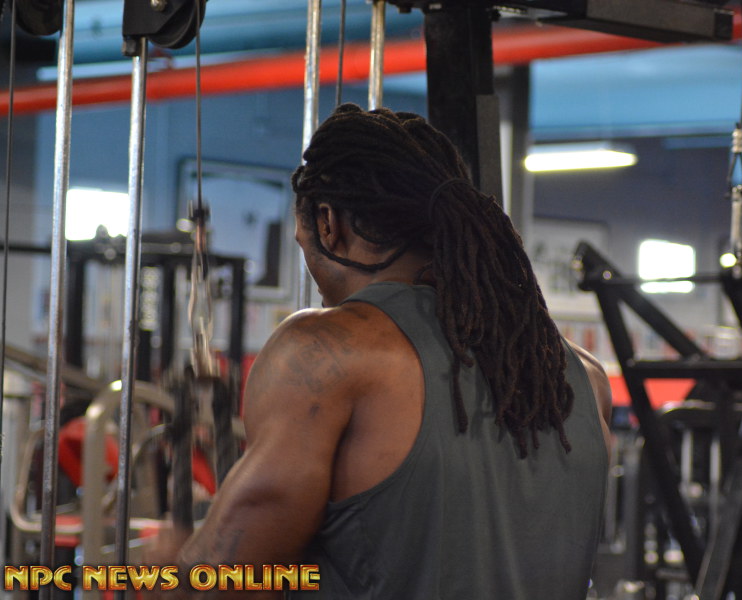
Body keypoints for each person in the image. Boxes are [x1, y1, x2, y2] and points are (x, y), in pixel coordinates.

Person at [162, 104, 611, 599]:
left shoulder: (324, 352)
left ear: (327, 224)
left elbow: (220, 583)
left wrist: (172, 568)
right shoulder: (585, 378)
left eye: (302, 241)